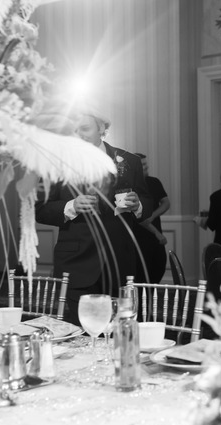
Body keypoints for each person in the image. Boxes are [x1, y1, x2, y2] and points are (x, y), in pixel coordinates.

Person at [35, 113, 151, 325]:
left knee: (118, 331)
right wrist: (72, 206)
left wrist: (138, 204)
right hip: (77, 264)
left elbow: (147, 201)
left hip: (120, 262)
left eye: (85, 128)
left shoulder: (130, 161)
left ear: (102, 128)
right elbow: (40, 209)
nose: (78, 134)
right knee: (82, 331)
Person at [134, 153, 170, 283]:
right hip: (139, 236)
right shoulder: (131, 185)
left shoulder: (154, 182)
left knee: (158, 266)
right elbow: (136, 214)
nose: (146, 167)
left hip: (155, 233)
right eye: (143, 165)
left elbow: (166, 203)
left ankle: (150, 294)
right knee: (141, 274)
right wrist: (156, 232)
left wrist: (153, 215)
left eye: (146, 164)